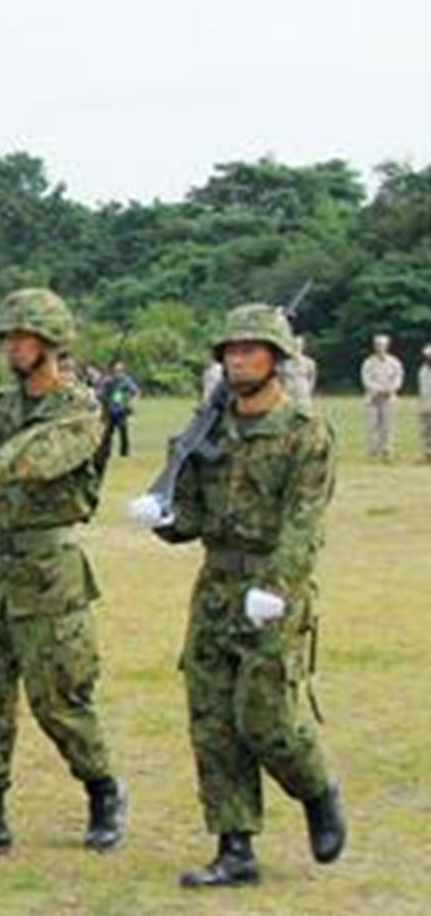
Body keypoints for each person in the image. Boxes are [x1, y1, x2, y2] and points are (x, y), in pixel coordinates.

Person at [134, 304, 345, 887]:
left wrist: (276, 588)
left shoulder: (306, 433)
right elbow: (195, 517)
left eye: (251, 350)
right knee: (211, 720)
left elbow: (305, 524)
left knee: (266, 717)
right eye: (230, 350)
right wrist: (163, 516)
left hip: (272, 590)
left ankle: (317, 789)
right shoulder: (210, 428)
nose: (238, 359)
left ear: (276, 359)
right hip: (216, 588)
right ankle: (234, 847)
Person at [0, 288, 127, 859]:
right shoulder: (4, 406)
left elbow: (44, 453)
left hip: (49, 571)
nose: (13, 348)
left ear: (51, 343)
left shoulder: (79, 407)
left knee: (59, 699)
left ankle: (103, 792)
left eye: (23, 337)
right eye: (8, 338)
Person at [360, 333, 404, 459]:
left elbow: (398, 378)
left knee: (388, 425)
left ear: (387, 346)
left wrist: (390, 389)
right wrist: (378, 390)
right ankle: (373, 450)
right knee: (372, 425)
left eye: (383, 345)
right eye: (378, 345)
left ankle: (387, 449)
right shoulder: (368, 363)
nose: (380, 347)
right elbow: (366, 380)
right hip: (372, 398)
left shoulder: (395, 362)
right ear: (374, 346)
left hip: (389, 397)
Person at [97, 361, 141, 459]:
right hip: (109, 411)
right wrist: (104, 400)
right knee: (107, 435)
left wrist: (131, 403)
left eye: (120, 371)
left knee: (124, 433)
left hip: (122, 411)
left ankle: (125, 454)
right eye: (116, 371)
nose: (118, 373)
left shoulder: (126, 380)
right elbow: (100, 394)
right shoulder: (108, 381)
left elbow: (136, 392)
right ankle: (105, 454)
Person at [420, 345, 431, 462]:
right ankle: (427, 453)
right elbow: (423, 390)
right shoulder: (423, 370)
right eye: (427, 356)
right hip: (426, 404)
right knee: (426, 431)